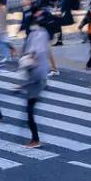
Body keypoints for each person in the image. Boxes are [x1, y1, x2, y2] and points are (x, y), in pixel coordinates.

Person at [19, 17, 53, 148]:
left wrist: (22, 86)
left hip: (34, 90)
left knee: (30, 114)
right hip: (33, 89)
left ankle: (35, 140)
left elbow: (35, 79)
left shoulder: (37, 65)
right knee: (29, 114)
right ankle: (34, 138)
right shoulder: (39, 37)